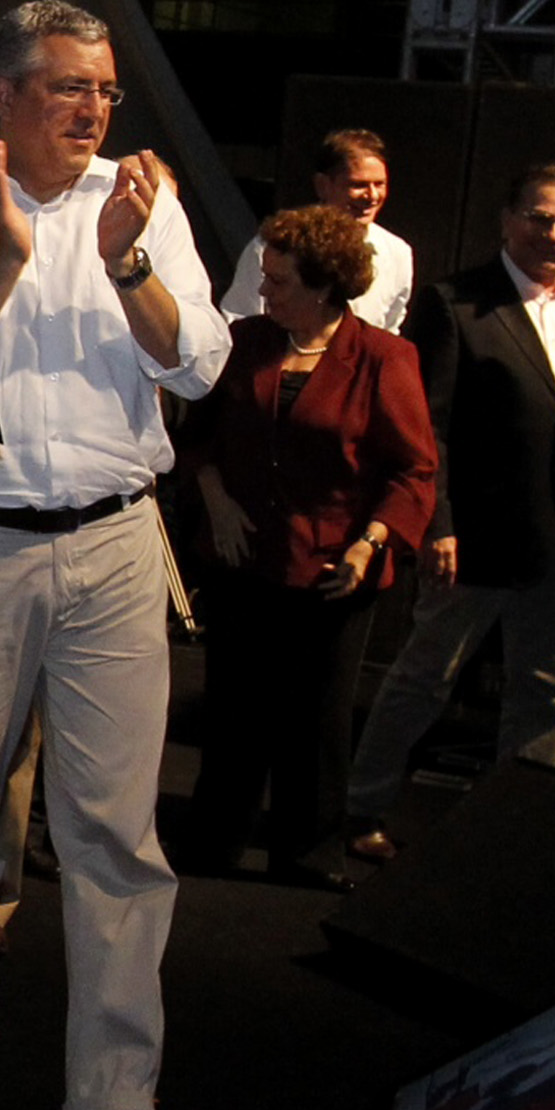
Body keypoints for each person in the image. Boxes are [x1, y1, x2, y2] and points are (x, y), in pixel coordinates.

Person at [0, 0, 227, 1110]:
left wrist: (125, 258)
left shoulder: (142, 203)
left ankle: (113, 1089)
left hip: (113, 546)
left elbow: (197, 361)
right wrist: (12, 258)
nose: (90, 110)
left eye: (102, 91)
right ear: (2, 94)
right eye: (66, 88)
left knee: (113, 834)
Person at [345, 164, 555, 861]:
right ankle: (360, 811)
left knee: (544, 695)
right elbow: (427, 430)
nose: (554, 234)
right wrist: (437, 523)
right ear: (509, 218)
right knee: (424, 679)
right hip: (473, 540)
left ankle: (509, 833)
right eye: (541, 218)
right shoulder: (455, 304)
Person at [174, 205, 435, 888]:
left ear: (324, 285)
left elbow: (413, 469)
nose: (265, 293)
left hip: (331, 567)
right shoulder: (244, 340)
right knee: (233, 710)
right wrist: (215, 496)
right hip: (240, 559)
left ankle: (309, 851)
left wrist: (371, 541)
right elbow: (193, 433)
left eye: (280, 282)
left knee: (316, 718)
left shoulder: (384, 357)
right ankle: (213, 839)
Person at [219, 126, 415, 332]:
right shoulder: (278, 243)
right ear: (322, 185)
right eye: (358, 185)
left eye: (380, 184)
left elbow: (389, 332)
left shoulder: (397, 253)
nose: (372, 196)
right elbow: (239, 319)